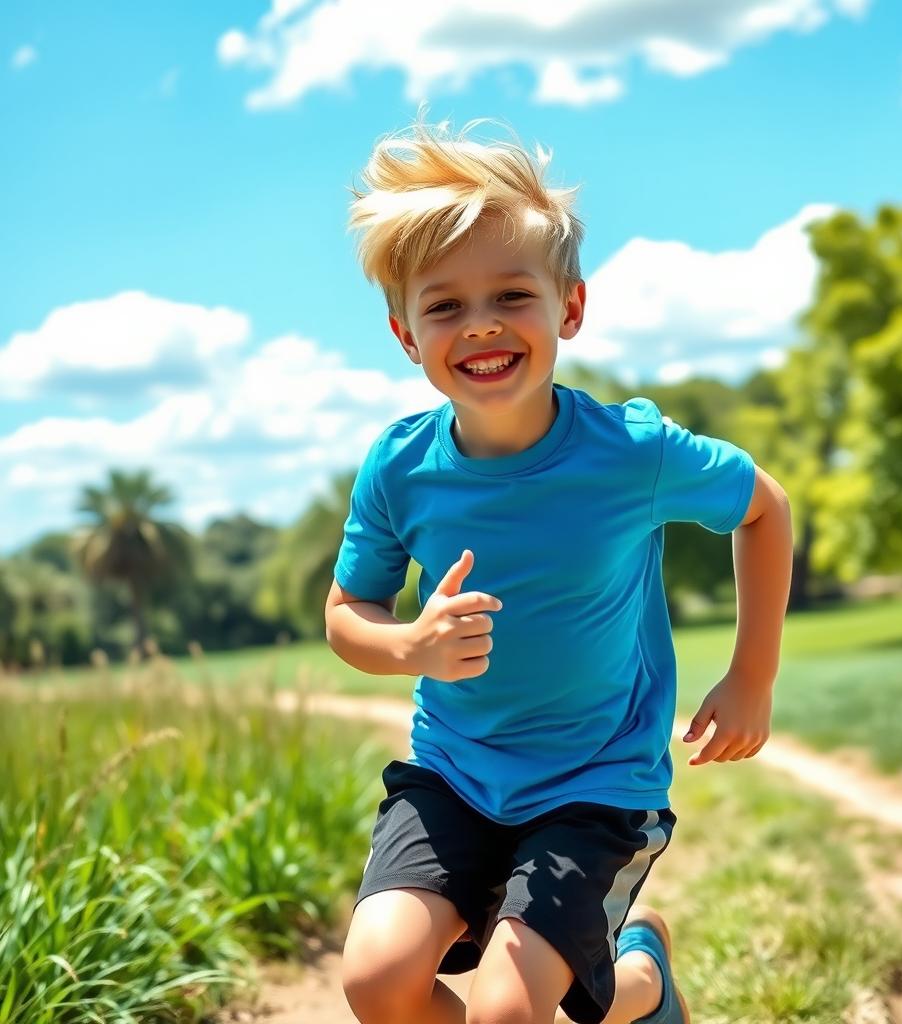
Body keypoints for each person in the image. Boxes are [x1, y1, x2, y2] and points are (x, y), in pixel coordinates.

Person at [325, 116, 793, 1024]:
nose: (482, 325)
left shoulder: (631, 454)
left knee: (510, 1010)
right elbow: (349, 610)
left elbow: (763, 506)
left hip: (596, 786)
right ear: (405, 335)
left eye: (512, 295)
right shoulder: (398, 467)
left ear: (568, 308)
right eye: (445, 306)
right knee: (377, 984)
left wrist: (753, 676)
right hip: (456, 775)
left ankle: (643, 979)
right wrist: (408, 646)